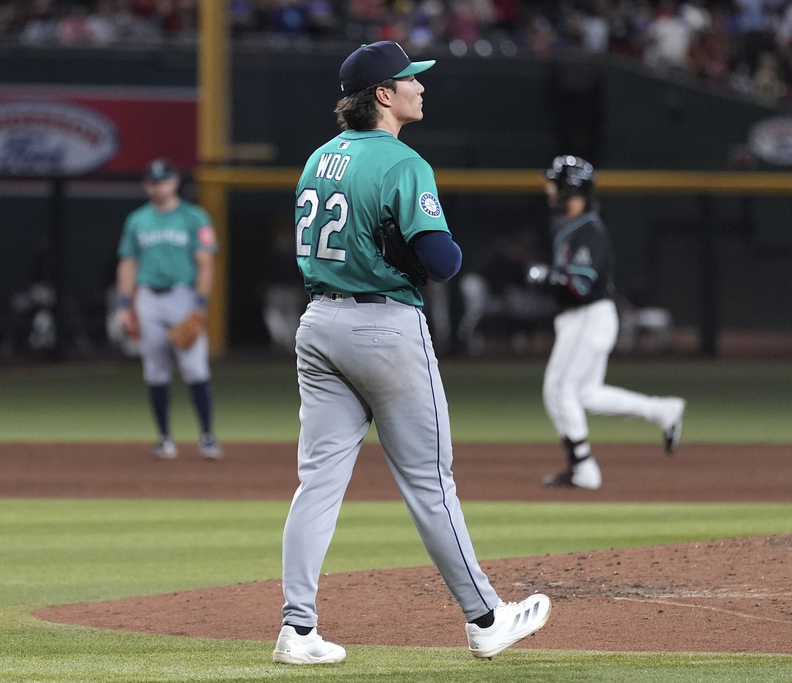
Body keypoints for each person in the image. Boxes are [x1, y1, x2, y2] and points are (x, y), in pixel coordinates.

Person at [274, 41, 551, 665]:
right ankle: (486, 619)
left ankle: (298, 629)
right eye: (409, 80)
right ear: (383, 95)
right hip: (384, 328)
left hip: (318, 323)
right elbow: (442, 262)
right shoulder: (403, 162)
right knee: (429, 482)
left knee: (316, 483)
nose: (420, 87)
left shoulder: (319, 157)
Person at [534, 155, 685, 490]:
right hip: (584, 319)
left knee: (558, 390)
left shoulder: (588, 232)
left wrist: (545, 277)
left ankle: (582, 467)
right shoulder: (572, 228)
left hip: (588, 317)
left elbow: (579, 286)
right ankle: (662, 410)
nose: (548, 189)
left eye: (554, 184)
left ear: (570, 190)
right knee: (586, 394)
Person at [114, 158, 222, 460]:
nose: (158, 186)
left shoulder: (195, 217)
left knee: (195, 368)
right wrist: (124, 304)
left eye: (163, 180)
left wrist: (200, 303)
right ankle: (164, 439)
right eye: (153, 181)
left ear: (174, 182)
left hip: (183, 296)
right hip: (148, 298)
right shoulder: (137, 220)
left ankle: (207, 437)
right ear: (146, 185)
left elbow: (205, 262)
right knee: (155, 370)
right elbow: (128, 263)